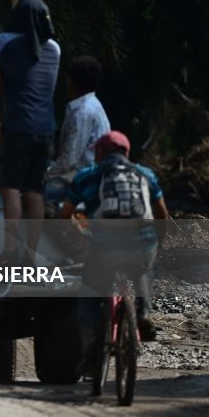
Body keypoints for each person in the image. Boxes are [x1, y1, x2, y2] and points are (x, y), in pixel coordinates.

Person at [0, 0, 60, 266]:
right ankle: (31, 257)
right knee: (35, 192)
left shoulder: (4, 41)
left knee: (11, 189)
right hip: (46, 130)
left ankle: (9, 253)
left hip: (18, 126)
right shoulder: (54, 48)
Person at [60, 131, 168, 358]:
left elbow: (65, 214)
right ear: (126, 153)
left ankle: (90, 353)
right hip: (142, 246)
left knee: (88, 297)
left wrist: (79, 233)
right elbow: (161, 214)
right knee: (141, 270)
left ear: (99, 153)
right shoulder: (145, 174)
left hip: (104, 249)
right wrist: (158, 242)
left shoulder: (86, 176)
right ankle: (144, 312)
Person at [49, 56, 111, 179]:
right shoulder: (93, 105)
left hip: (83, 177)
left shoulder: (82, 113)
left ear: (71, 81)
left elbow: (69, 159)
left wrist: (47, 174)